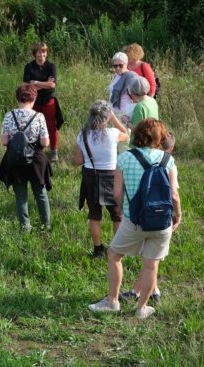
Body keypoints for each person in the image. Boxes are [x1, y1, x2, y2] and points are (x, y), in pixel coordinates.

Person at [89, 118, 182, 320]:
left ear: (138, 134)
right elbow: (174, 195)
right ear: (161, 138)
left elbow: (116, 192)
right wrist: (177, 215)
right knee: (151, 264)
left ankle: (113, 301)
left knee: (114, 255)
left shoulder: (125, 158)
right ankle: (142, 308)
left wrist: (122, 211)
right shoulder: (168, 160)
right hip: (162, 222)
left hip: (134, 220)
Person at [119, 131, 177, 304]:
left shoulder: (132, 158)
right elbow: (174, 195)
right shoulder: (168, 164)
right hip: (161, 218)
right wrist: (177, 215)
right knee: (152, 259)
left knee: (148, 259)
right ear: (170, 148)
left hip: (137, 216)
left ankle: (143, 290)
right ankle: (148, 292)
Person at [75, 100, 130, 257]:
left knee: (94, 215)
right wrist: (114, 118)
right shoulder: (113, 134)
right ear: (106, 118)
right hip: (110, 177)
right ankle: (118, 248)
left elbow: (78, 161)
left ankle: (98, 249)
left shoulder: (82, 134)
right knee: (117, 214)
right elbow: (126, 136)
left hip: (90, 177)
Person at [0, 83, 52, 232]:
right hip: (36, 159)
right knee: (40, 193)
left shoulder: (9, 115)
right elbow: (45, 142)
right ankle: (46, 226)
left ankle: (25, 227)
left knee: (21, 195)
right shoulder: (39, 116)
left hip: (15, 160)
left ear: (18, 98)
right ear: (34, 99)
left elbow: (4, 141)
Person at [23, 42, 64, 162]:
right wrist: (44, 84)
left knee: (51, 126)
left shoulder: (51, 66)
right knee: (32, 126)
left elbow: (52, 85)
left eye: (44, 51)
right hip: (33, 102)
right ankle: (34, 150)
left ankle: (53, 151)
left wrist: (35, 83)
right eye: (40, 52)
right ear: (35, 53)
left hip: (48, 100)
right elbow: (25, 86)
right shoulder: (29, 67)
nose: (42, 54)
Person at [109, 52, 138, 118]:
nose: (118, 68)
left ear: (126, 64)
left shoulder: (131, 76)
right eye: (115, 66)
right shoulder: (115, 75)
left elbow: (137, 96)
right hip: (113, 111)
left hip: (125, 113)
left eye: (120, 65)